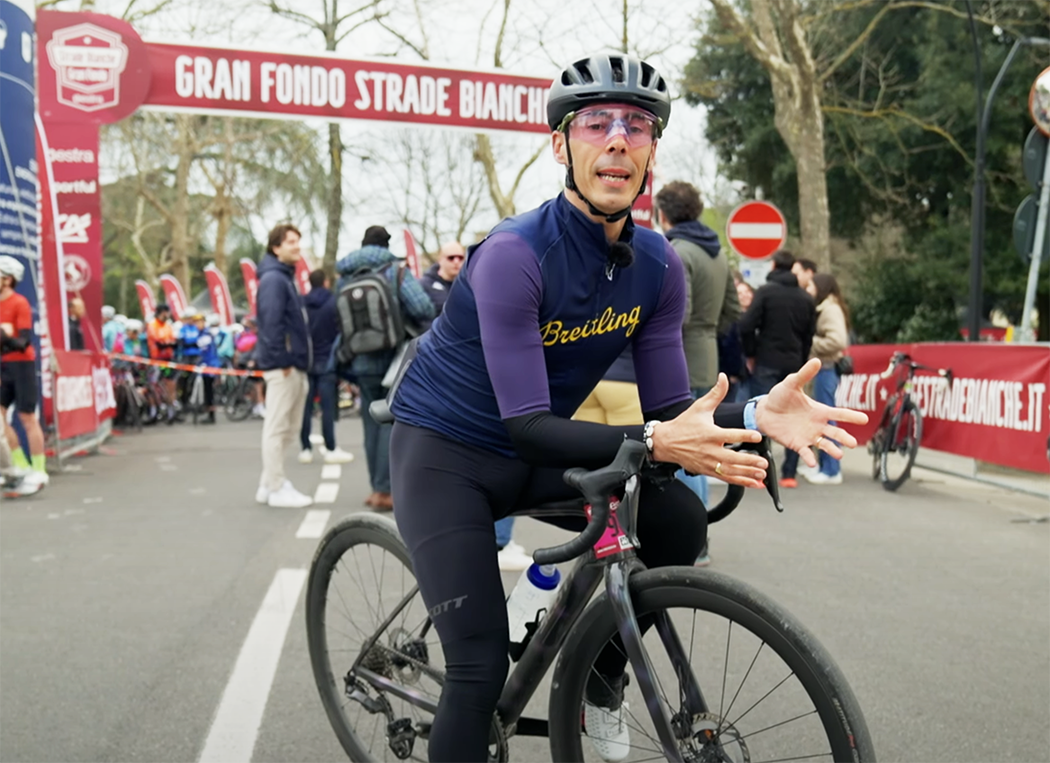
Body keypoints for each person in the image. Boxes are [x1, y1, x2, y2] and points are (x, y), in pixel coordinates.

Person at [384, 53, 865, 763]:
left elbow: (674, 406)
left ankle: (599, 687)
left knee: (674, 517)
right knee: (478, 669)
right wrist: (655, 439)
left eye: (637, 125)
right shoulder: (514, 254)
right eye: (596, 123)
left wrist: (755, 413)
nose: (617, 139)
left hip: (537, 450)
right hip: (448, 452)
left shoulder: (657, 265)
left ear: (651, 152)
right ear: (561, 145)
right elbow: (526, 423)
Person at [655, 181, 741, 554]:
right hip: (708, 356)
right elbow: (733, 312)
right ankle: (700, 535)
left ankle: (692, 539)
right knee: (703, 445)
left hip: (677, 358)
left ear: (663, 214)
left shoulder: (676, 251)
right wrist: (710, 335)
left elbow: (679, 314)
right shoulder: (718, 254)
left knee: (685, 451)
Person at [335, 225, 434, 511]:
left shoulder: (345, 277)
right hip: (393, 357)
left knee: (369, 421)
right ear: (387, 245)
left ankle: (374, 486)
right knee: (390, 419)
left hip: (360, 358)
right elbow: (423, 307)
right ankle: (385, 490)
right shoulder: (395, 271)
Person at [738, 249, 817, 488]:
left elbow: (746, 325)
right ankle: (789, 473)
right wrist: (802, 362)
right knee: (794, 416)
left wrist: (751, 352)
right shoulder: (805, 299)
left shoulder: (765, 293)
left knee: (760, 415)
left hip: (766, 362)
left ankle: (761, 473)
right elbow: (808, 335)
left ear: (773, 266)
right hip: (794, 365)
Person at [255, 223, 313, 509]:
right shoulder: (275, 280)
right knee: (278, 429)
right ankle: (276, 487)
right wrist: (283, 361)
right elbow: (270, 323)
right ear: (276, 247)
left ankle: (268, 484)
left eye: (298, 241)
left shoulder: (283, 278)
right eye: (291, 242)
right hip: (285, 367)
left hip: (293, 365)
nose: (297, 246)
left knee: (288, 429)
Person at [0, 257, 48, 490]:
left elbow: (23, 341)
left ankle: (39, 470)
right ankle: (18, 465)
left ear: (7, 280)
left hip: (22, 364)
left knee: (26, 416)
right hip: (3, 364)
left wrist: (5, 336)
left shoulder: (19, 303)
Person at [799, 273, 851, 485]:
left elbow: (837, 340)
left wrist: (810, 342)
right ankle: (825, 466)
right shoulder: (827, 308)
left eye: (811, 285)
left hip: (827, 368)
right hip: (823, 368)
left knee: (826, 418)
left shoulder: (829, 310)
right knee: (821, 417)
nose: (807, 288)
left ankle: (831, 470)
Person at [300, 269, 354, 465]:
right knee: (328, 407)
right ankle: (330, 447)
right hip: (328, 360)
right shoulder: (333, 302)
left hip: (307, 361)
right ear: (325, 282)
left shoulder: (302, 303)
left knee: (305, 407)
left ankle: (305, 448)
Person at [179, 311, 217, 424]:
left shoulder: (206, 334)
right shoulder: (200, 333)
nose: (196, 324)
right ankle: (206, 410)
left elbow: (203, 347)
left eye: (198, 322)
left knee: (209, 390)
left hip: (210, 364)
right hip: (203, 364)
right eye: (195, 322)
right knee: (205, 388)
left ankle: (211, 415)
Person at [420, 241, 466, 316]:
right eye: (451, 258)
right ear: (440, 260)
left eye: (461, 258)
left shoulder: (468, 284)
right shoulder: (424, 285)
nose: (456, 261)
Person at [147, 304, 179, 408]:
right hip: (156, 359)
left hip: (168, 358)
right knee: (154, 384)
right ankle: (155, 407)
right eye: (167, 312)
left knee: (171, 382)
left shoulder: (168, 325)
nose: (168, 315)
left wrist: (168, 343)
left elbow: (173, 342)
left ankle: (171, 405)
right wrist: (167, 343)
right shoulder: (153, 325)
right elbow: (158, 342)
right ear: (162, 312)